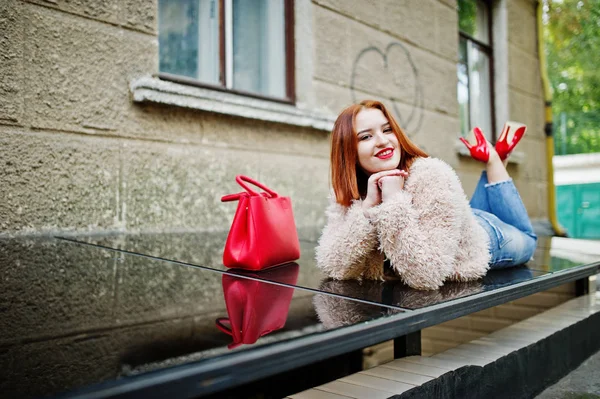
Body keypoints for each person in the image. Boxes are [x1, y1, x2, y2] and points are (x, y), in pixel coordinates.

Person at [315, 100, 537, 290]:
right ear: (348, 151)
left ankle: (493, 159)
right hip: (456, 218)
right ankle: (498, 156)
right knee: (467, 212)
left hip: (487, 237)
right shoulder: (349, 190)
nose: (382, 141)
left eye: (387, 130)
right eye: (365, 137)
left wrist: (393, 202)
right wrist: (366, 210)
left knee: (529, 238)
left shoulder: (431, 174)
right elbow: (334, 265)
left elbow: (426, 276)